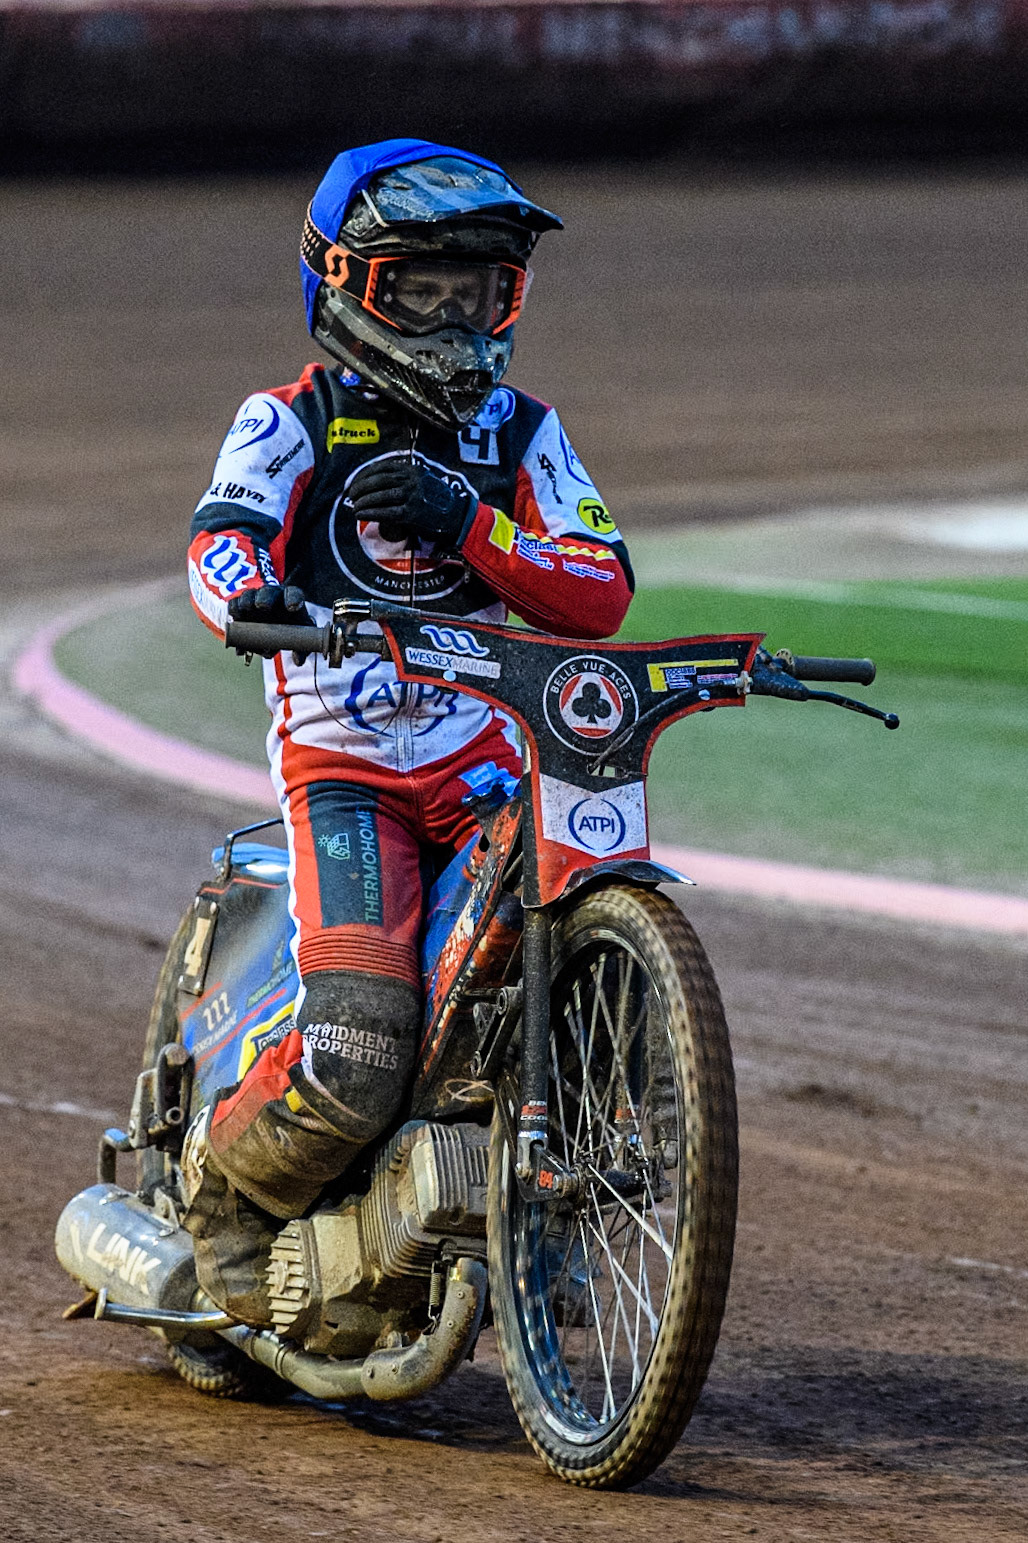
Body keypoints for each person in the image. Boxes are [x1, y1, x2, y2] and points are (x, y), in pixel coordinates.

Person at [181, 138, 635, 1325]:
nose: (451, 319)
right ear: (340, 280)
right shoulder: (287, 419)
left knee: (577, 938)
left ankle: (553, 1190)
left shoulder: (524, 433)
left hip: (491, 764)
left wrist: (470, 525)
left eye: (475, 290)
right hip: (351, 775)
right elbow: (219, 541)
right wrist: (250, 601)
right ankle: (224, 1203)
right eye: (417, 290)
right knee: (361, 1048)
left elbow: (597, 588)